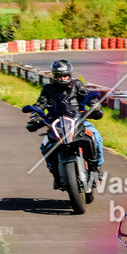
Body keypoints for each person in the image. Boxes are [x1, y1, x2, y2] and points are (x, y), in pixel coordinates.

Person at [26, 59, 104, 188]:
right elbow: (40, 103)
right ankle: (55, 174)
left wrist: (95, 106)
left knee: (96, 137)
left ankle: (96, 168)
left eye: (65, 76)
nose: (62, 79)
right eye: (59, 76)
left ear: (69, 75)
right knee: (44, 146)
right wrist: (34, 116)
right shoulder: (48, 88)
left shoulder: (77, 84)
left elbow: (87, 96)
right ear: (54, 76)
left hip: (77, 122)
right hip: (56, 124)